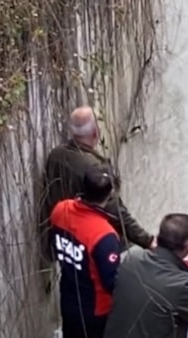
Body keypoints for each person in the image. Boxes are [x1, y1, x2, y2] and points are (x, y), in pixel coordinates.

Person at [40, 106, 155, 263]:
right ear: (95, 132)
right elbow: (117, 213)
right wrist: (147, 241)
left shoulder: (55, 156)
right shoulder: (96, 170)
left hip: (65, 238)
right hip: (93, 242)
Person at [51, 166, 122, 338]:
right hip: (95, 311)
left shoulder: (60, 209)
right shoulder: (104, 235)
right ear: (109, 195)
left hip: (67, 298)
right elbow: (111, 283)